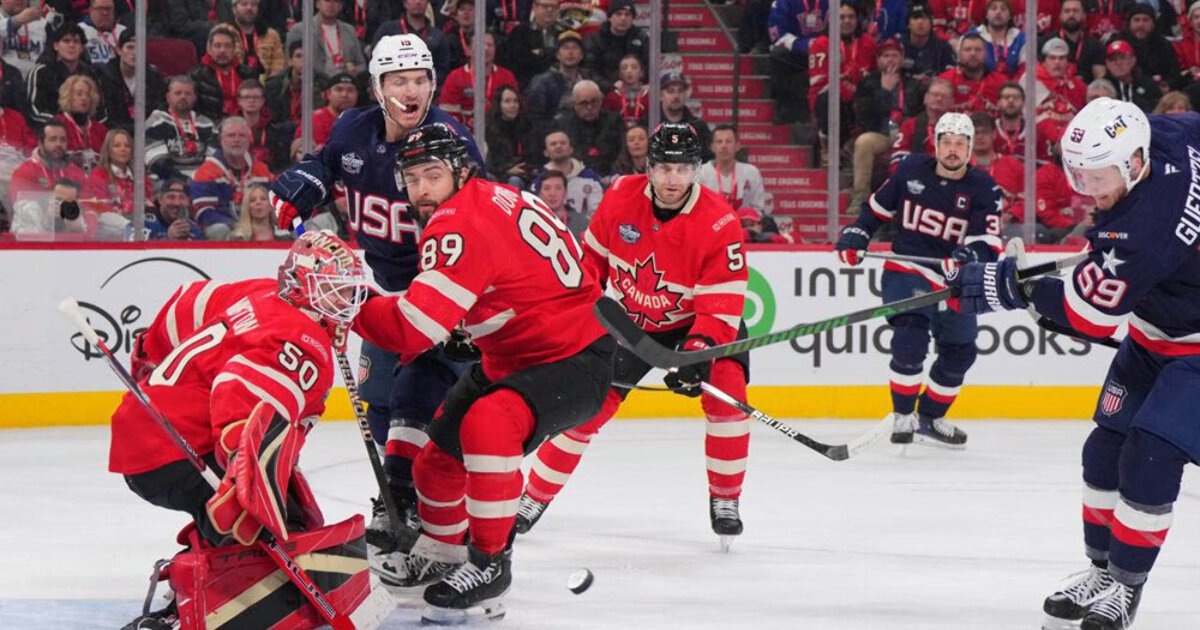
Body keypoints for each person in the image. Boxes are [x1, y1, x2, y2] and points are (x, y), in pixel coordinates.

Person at [946, 97, 1200, 630]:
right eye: (1079, 175)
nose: (1088, 190)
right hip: (1156, 330)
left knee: (1150, 454)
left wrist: (1006, 287)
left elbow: (1087, 315)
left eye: (1098, 177)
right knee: (1103, 450)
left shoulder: (1144, 230)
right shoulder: (1169, 134)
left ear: (1134, 163)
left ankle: (1126, 587)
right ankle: (1101, 572)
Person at [351, 123, 614, 624]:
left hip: (572, 359)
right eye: (412, 179)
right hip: (516, 357)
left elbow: (412, 330)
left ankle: (490, 564)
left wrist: (351, 304)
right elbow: (518, 278)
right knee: (435, 465)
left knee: (488, 423)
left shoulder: (458, 221)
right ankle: (443, 555)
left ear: (461, 172)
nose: (421, 189)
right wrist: (467, 322)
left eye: (432, 175)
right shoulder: (497, 197)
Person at [267, 34, 484, 580]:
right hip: (385, 291)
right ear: (377, 88)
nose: (412, 91)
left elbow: (480, 224)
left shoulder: (452, 144)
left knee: (431, 409)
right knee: (381, 405)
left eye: (420, 80)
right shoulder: (353, 129)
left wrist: (464, 303)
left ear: (433, 84)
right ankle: (402, 500)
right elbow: (326, 165)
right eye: (399, 81)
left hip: (442, 295)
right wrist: (306, 180)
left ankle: (441, 514)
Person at [111, 232, 373, 628]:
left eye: (348, 290)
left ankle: (199, 572)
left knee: (278, 518)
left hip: (148, 433)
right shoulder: (305, 340)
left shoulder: (261, 293)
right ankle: (193, 609)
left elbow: (188, 301)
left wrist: (149, 355)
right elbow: (240, 393)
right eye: (334, 289)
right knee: (256, 531)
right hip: (175, 450)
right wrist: (242, 478)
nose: (346, 302)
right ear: (303, 283)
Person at [515, 122, 752, 549]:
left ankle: (725, 499)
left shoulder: (719, 222)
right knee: (585, 410)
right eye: (664, 168)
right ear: (649, 167)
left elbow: (721, 305)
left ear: (697, 169)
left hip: (699, 327)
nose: (673, 179)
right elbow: (591, 265)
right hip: (631, 324)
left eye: (683, 169)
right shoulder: (622, 196)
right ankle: (534, 496)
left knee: (728, 398)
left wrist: (697, 353)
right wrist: (573, 316)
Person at [835, 112, 1003, 448]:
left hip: (955, 279)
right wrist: (857, 234)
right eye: (947, 142)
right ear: (935, 144)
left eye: (960, 143)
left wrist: (969, 256)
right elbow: (875, 211)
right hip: (908, 267)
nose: (952, 149)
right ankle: (902, 416)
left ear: (970, 148)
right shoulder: (910, 170)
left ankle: (929, 418)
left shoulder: (984, 188)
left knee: (961, 352)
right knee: (910, 338)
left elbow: (988, 243)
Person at [190, 116, 274, 237]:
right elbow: (203, 212)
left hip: (258, 226)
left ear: (249, 139)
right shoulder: (206, 172)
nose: (236, 140)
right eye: (231, 135)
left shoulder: (261, 170)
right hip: (226, 230)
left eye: (241, 135)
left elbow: (274, 204)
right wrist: (238, 226)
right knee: (220, 230)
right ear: (221, 139)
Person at [145, 76, 218, 178]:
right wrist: (181, 180)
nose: (183, 97)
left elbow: (214, 159)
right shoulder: (156, 121)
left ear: (194, 97)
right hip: (166, 180)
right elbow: (156, 160)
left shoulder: (207, 124)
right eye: (178, 93)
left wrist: (200, 180)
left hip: (201, 179)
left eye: (188, 93)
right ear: (168, 97)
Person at [529, 128, 604, 215]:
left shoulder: (591, 178)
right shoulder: (539, 181)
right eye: (553, 144)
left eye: (563, 143)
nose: (558, 146)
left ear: (571, 149)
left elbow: (598, 212)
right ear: (546, 153)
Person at [696, 124, 766, 214]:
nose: (724, 146)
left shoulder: (751, 172)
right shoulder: (700, 173)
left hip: (742, 221)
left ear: (737, 146)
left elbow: (758, 209)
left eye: (728, 141)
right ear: (712, 147)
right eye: (719, 142)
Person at [84, 128, 151, 218]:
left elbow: (148, 202)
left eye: (127, 146)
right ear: (108, 150)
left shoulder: (139, 176)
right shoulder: (99, 174)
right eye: (117, 146)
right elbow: (103, 208)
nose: (123, 149)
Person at [484, 85, 539, 187]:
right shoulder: (489, 129)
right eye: (507, 101)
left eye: (515, 101)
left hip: (524, 173)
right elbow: (492, 161)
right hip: (498, 173)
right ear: (499, 105)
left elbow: (532, 155)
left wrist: (526, 169)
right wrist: (508, 170)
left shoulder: (527, 125)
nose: (513, 105)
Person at [53, 74, 108, 171]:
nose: (84, 98)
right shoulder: (57, 124)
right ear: (68, 96)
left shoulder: (100, 129)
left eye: (88, 94)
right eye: (79, 94)